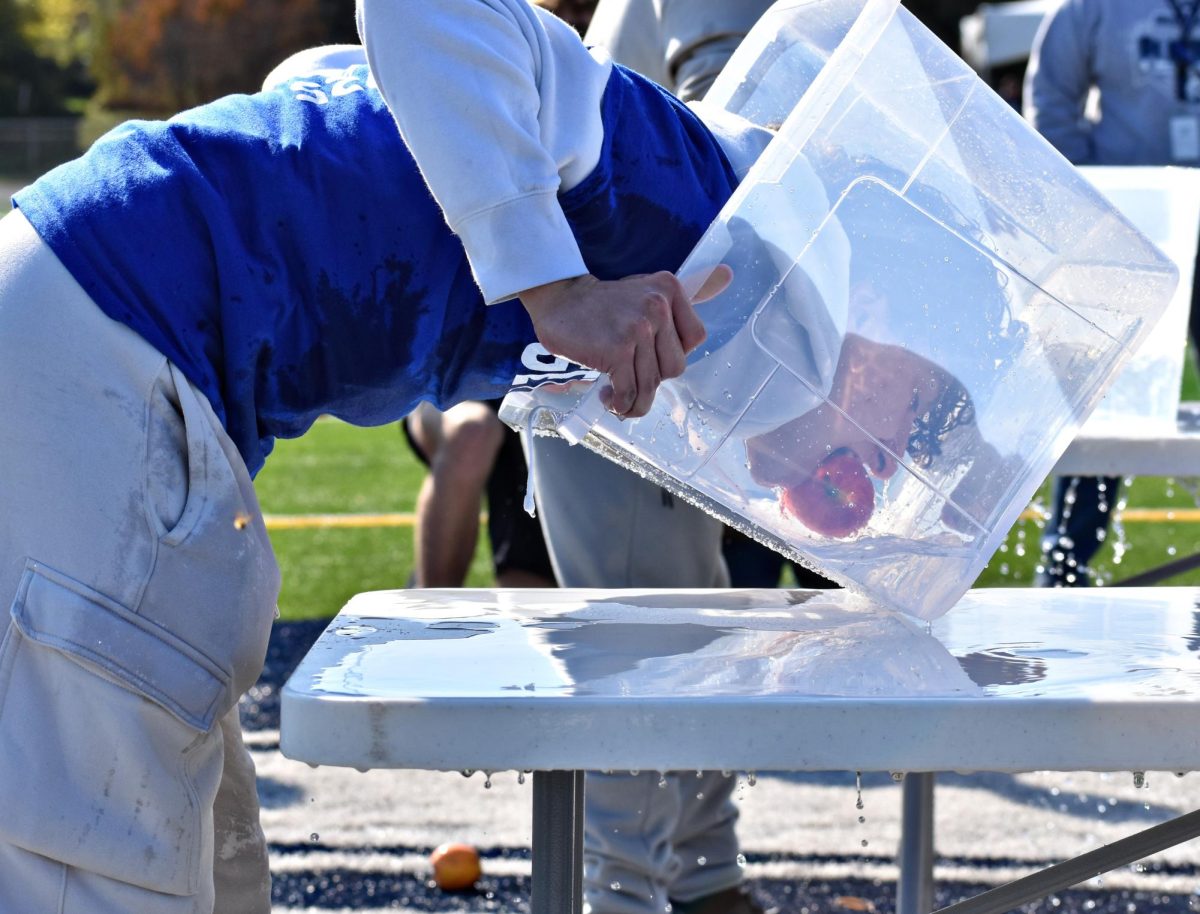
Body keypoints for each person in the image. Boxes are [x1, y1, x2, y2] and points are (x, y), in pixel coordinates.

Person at [0, 12, 745, 907]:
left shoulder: (623, 147)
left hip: (110, 342)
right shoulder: (681, 179)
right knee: (96, 868)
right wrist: (554, 284)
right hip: (96, 349)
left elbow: (315, 71)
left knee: (209, 863)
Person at [1024, 0, 1200, 586]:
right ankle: (1066, 570)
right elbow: (1053, 99)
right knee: (1104, 399)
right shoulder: (1097, 5)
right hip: (1130, 230)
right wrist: (1094, 200)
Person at [402, 399, 556, 588]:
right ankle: (431, 603)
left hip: (547, 400)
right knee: (471, 432)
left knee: (528, 593)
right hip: (453, 389)